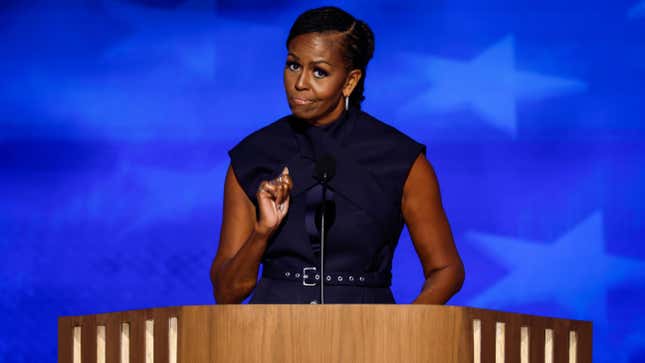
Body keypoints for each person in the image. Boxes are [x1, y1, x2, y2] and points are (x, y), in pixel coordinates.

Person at [210, 6, 464, 304]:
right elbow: (226, 293)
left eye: (319, 71)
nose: (300, 83)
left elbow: (446, 269)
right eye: (293, 65)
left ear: (350, 81)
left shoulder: (400, 159)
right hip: (270, 334)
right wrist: (262, 233)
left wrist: (403, 332)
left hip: (369, 335)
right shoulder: (253, 156)